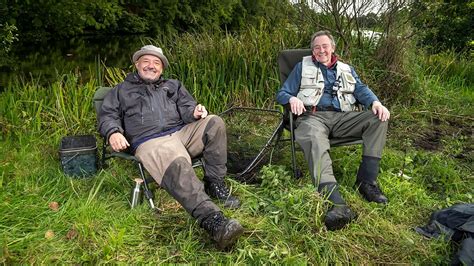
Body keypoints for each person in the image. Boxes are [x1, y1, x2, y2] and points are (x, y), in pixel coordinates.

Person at [98, 45, 243, 249]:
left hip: (180, 133)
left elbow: (187, 107)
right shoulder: (121, 90)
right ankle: (214, 222)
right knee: (176, 161)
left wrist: (195, 112)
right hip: (149, 140)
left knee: (214, 122)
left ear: (162, 69)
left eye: (156, 63)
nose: (151, 66)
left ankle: (214, 183)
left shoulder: (172, 86)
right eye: (146, 61)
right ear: (137, 64)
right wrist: (113, 132)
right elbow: (107, 116)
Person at [276, 31, 390, 231]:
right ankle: (335, 202)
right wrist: (291, 98)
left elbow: (361, 90)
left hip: (342, 118)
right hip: (313, 117)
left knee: (377, 119)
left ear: (333, 48)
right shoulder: (302, 67)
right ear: (313, 50)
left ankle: (366, 182)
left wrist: (376, 102)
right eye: (317, 47)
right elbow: (283, 92)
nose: (321, 50)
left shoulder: (347, 69)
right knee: (312, 135)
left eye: (325, 46)